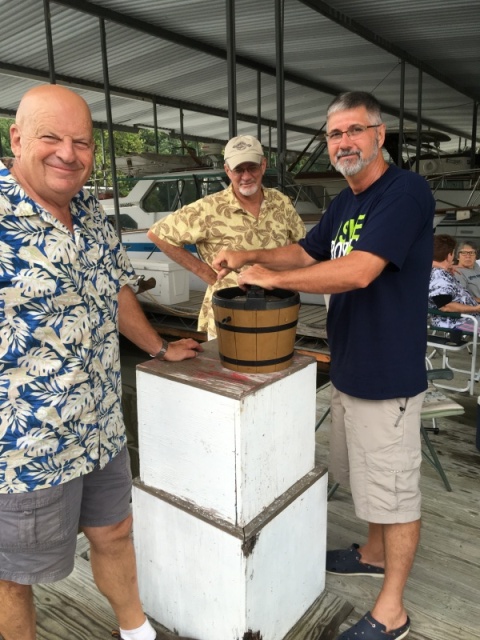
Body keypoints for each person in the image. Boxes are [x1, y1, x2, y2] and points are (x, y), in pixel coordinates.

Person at [213, 92, 435, 640]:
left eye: (353, 131)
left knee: (395, 489)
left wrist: (272, 279)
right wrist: (249, 258)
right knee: (364, 475)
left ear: (379, 136)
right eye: (334, 135)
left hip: (388, 375)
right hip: (351, 365)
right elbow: (308, 252)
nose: (343, 143)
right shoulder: (345, 202)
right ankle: (374, 551)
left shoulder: (404, 192)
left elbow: (358, 271)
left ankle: (392, 612)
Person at [0, 84, 202, 640]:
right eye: (50, 137)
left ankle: (137, 632)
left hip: (100, 425)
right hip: (25, 448)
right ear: (17, 139)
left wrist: (159, 348)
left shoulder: (89, 206)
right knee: (12, 578)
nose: (68, 153)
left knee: (116, 531)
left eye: (81, 142)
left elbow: (114, 291)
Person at [146, 135, 305, 338]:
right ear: (228, 170)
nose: (246, 176)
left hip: (278, 309)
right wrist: (204, 272)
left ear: (263, 165)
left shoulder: (281, 202)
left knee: (277, 365)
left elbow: (301, 247)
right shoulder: (209, 207)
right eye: (239, 169)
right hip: (228, 314)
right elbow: (159, 233)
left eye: (252, 167)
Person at [429, 234, 480, 332]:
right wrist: (476, 308)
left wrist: (447, 267)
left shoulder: (436, 271)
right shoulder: (439, 277)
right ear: (449, 255)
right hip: (459, 323)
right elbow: (446, 306)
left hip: (466, 319)